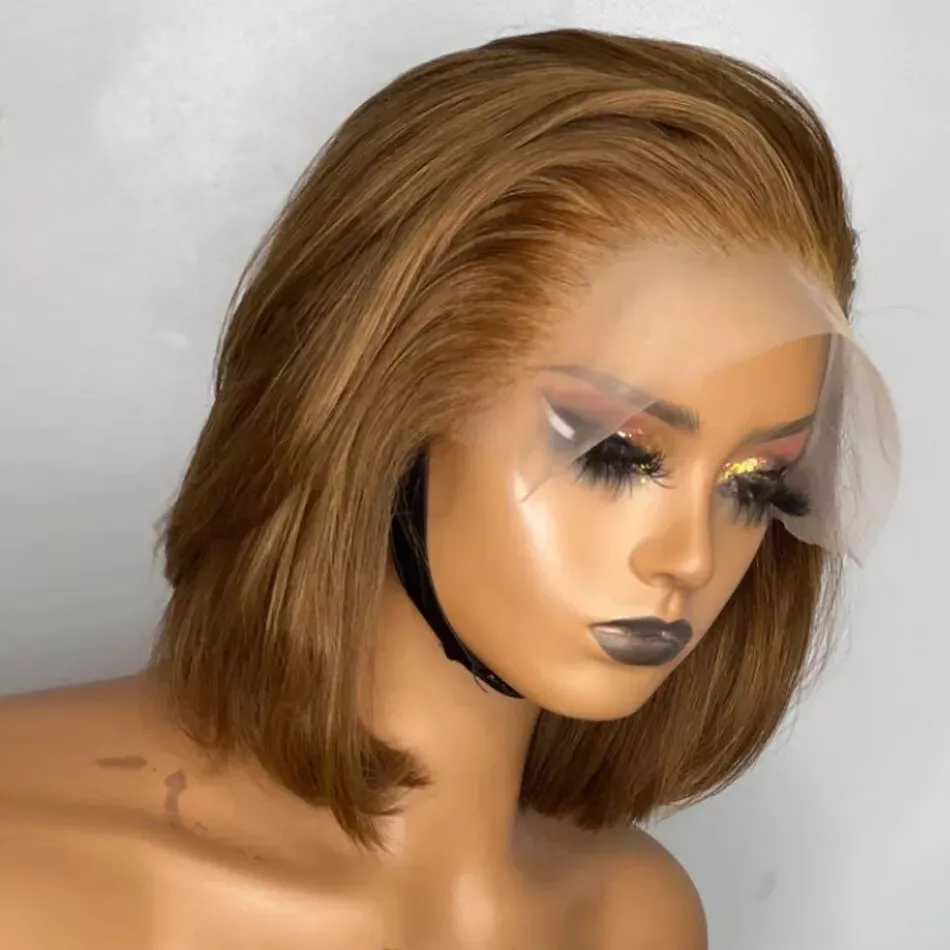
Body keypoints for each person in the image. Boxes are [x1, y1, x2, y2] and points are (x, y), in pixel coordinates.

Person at [0, 27, 898, 949]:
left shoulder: (633, 921)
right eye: (616, 455)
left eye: (754, 484)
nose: (690, 558)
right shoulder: (25, 876)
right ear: (388, 404)